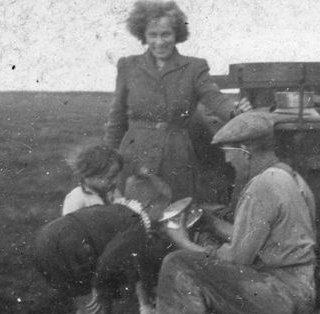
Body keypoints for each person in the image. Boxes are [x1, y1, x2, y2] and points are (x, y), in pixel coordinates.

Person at [130, 112, 320, 314]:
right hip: (300, 288)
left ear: (246, 151)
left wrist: (181, 241)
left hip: (278, 293)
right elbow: (259, 239)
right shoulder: (290, 177)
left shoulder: (259, 187)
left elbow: (237, 259)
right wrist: (211, 223)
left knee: (179, 264)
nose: (227, 160)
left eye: (228, 152)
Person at [34, 173, 173, 314]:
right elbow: (108, 261)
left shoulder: (119, 211)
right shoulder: (137, 225)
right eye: (162, 208)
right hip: (70, 249)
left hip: (47, 240)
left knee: (82, 310)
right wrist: (97, 289)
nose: (162, 214)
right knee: (93, 312)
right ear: (151, 204)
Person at [104, 0, 252, 201]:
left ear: (176, 35)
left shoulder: (194, 67)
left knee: (177, 211)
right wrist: (108, 158)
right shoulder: (128, 66)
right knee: (132, 212)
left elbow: (213, 97)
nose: (159, 41)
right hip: (134, 154)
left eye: (166, 34)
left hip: (176, 155)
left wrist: (234, 111)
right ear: (143, 36)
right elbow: (117, 117)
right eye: (152, 35)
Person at [63, 143, 155, 314]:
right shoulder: (77, 199)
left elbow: (122, 212)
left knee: (135, 268)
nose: (114, 182)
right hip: (92, 257)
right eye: (110, 177)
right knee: (100, 294)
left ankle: (144, 310)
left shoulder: (112, 193)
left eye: (116, 177)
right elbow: (69, 233)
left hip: (113, 252)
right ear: (89, 175)